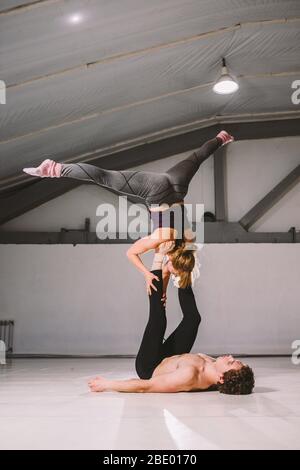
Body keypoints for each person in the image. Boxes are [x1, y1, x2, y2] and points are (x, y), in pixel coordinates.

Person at [23, 131, 234, 293]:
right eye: (171, 268)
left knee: (196, 158)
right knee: (104, 177)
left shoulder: (188, 241)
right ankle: (52, 168)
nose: (168, 270)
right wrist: (145, 274)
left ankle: (221, 137)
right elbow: (131, 253)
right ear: (172, 258)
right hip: (157, 190)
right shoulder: (163, 240)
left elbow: (168, 267)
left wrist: (164, 292)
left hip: (178, 186)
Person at [88, 244, 255, 395]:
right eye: (236, 360)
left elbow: (146, 386)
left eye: (231, 363)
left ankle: (159, 256)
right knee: (193, 320)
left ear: (221, 378)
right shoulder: (214, 367)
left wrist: (107, 384)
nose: (231, 357)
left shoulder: (188, 376)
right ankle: (183, 272)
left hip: (150, 365)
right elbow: (234, 382)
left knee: (158, 320)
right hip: (170, 358)